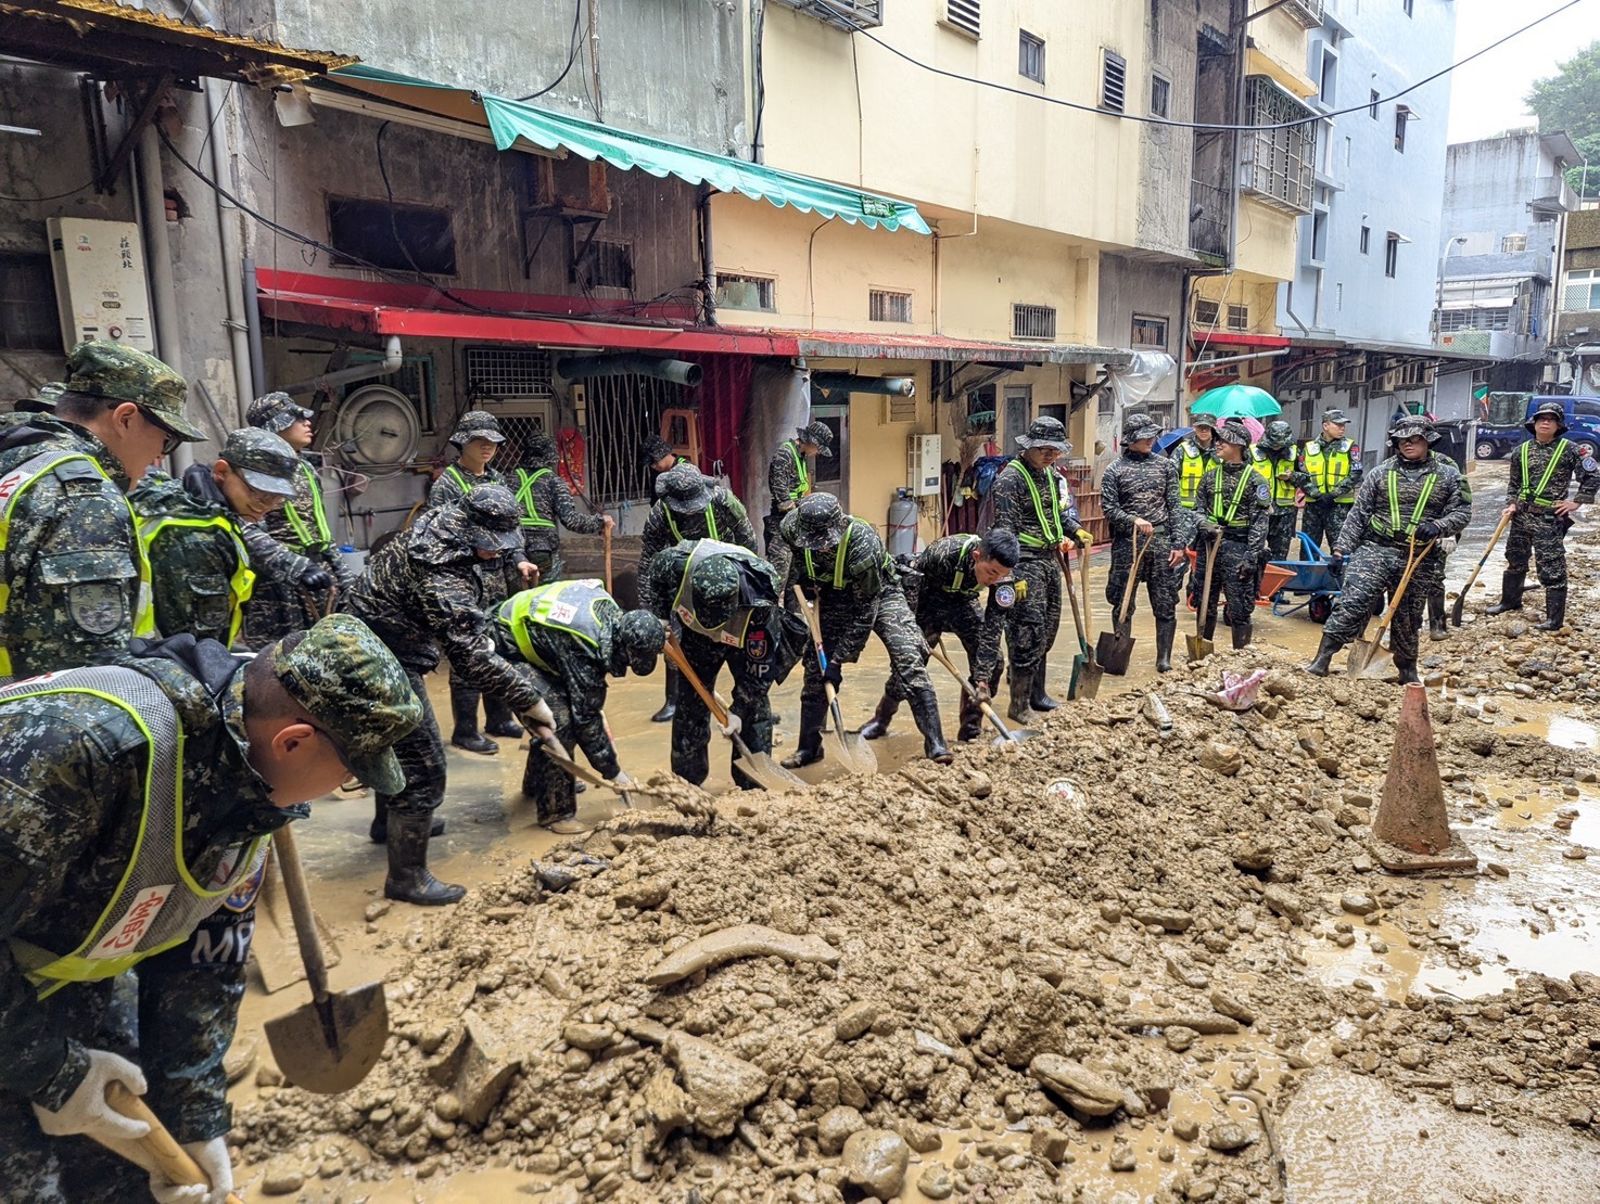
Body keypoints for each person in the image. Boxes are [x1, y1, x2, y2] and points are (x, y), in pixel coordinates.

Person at [0, 614, 421, 1204]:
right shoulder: (82, 753)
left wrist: (194, 1119)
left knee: (120, 1166)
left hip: (54, 965)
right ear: (293, 742)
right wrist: (50, 1070)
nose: (344, 787)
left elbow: (204, 963)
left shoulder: (245, 794)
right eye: (350, 773)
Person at [344, 485, 553, 903]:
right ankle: (407, 877)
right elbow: (470, 658)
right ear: (472, 531)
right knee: (424, 765)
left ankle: (390, 824)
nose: (497, 554)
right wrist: (530, 699)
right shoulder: (440, 573)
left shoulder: (445, 523)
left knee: (395, 744)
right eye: (494, 546)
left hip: (379, 642)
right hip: (378, 656)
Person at [0, 340, 204, 679]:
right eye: (166, 439)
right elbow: (84, 673)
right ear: (125, 418)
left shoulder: (20, 456)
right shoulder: (84, 497)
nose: (160, 456)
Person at [778, 492, 951, 765]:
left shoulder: (862, 543)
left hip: (880, 595)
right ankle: (809, 748)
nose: (820, 548)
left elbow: (865, 612)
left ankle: (937, 745)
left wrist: (838, 660)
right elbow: (793, 568)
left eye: (825, 542)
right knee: (815, 672)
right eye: (814, 542)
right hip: (830, 597)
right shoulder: (791, 527)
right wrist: (802, 595)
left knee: (909, 658)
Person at [1305, 416, 1472, 683]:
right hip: (1376, 549)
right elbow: (1358, 515)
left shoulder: (1448, 475)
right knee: (1352, 602)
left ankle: (1407, 671)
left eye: (1415, 439)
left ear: (1427, 441)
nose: (1408, 444)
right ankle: (1322, 659)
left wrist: (1440, 526)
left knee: (1408, 616)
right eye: (1403, 440)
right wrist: (1340, 550)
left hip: (1417, 555)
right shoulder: (1380, 473)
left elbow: (1463, 513)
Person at [496, 581, 664, 832]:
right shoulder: (584, 645)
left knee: (562, 711)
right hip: (504, 645)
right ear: (624, 648)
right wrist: (614, 772)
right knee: (559, 721)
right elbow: (586, 720)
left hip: (540, 642)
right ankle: (555, 813)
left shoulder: (611, 617)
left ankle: (536, 785)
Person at [638, 539, 804, 787]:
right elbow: (653, 575)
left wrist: (738, 710)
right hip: (695, 636)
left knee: (754, 709)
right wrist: (661, 617)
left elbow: (760, 670)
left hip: (742, 634)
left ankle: (753, 784)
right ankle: (688, 781)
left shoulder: (760, 604)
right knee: (690, 702)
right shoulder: (675, 563)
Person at [133, 428, 319, 647]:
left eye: (277, 499)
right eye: (260, 494)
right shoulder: (195, 534)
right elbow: (196, 643)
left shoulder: (217, 513)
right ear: (221, 472)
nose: (266, 507)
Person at [426, 410, 531, 753]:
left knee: (497, 645)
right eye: (479, 441)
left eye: (493, 442)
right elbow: (435, 536)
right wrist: (472, 552)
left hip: (497, 581)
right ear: (463, 443)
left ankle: (498, 718)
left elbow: (511, 528)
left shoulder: (499, 482)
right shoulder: (447, 486)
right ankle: (465, 729)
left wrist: (519, 559)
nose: (487, 447)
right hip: (461, 582)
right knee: (467, 651)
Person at [863, 528, 1020, 744]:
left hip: (963, 602)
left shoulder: (1004, 581)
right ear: (976, 557)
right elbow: (910, 592)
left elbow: (992, 629)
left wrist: (982, 679)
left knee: (995, 663)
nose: (995, 581)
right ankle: (882, 718)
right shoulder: (943, 554)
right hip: (926, 599)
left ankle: (971, 728)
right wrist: (914, 633)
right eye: (991, 573)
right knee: (911, 663)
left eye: (1001, 575)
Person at [988, 417, 1092, 721]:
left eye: (1055, 451)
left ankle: (1038, 694)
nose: (1050, 455)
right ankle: (1018, 705)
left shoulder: (1048, 475)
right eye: (1044, 450)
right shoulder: (1010, 480)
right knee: (1026, 633)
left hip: (1048, 561)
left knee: (1046, 630)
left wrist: (1074, 530)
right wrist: (1009, 576)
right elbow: (1005, 532)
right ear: (1029, 447)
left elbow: (1055, 514)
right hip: (1023, 562)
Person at [641, 463, 758, 724]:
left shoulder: (724, 502)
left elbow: (748, 542)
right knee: (674, 637)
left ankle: (751, 701)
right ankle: (673, 700)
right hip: (682, 581)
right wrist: (650, 607)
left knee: (739, 643)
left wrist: (749, 586)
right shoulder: (660, 514)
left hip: (725, 581)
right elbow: (648, 560)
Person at [240, 392, 356, 647]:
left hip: (318, 574)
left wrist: (343, 575)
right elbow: (247, 532)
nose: (307, 422)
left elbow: (320, 530)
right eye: (296, 418)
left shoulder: (305, 468)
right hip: (276, 587)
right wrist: (295, 566)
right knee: (280, 659)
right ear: (275, 426)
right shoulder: (254, 469)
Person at [1486, 400, 1600, 631]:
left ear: (1559, 425)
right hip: (1521, 517)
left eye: (1551, 419)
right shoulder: (1521, 451)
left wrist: (1576, 502)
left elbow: (1593, 476)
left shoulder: (1571, 449)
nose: (1546, 422)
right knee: (1515, 559)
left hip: (1549, 518)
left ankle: (1554, 619)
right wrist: (1511, 504)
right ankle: (1510, 601)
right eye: (1541, 419)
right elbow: (1514, 484)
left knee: (1551, 566)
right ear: (1534, 423)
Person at [1100, 412, 1187, 672]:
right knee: (1123, 601)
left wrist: (1179, 543)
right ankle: (1119, 657)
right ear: (1130, 440)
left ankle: (1164, 658)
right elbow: (1109, 508)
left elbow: (1175, 506)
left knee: (1165, 601)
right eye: (1144, 437)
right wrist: (1132, 520)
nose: (1150, 440)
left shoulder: (1165, 466)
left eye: (1152, 435)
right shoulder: (1114, 470)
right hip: (1128, 544)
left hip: (1160, 543)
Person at [1191, 419, 1271, 651]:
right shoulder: (1209, 477)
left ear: (1238, 444)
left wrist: (1251, 557)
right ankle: (1202, 653)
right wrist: (1203, 523)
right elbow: (1196, 510)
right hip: (1209, 547)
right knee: (1204, 601)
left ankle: (1240, 655)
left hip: (1239, 547)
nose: (1217, 444)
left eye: (1223, 440)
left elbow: (1260, 523)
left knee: (1239, 607)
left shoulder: (1256, 480)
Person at [511, 429, 611, 586]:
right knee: (546, 599)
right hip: (543, 551)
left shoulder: (508, 479)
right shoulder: (554, 482)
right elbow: (571, 520)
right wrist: (600, 521)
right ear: (551, 456)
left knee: (516, 603)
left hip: (514, 552)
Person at [764, 420, 832, 585]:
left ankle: (792, 610)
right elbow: (783, 502)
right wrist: (808, 508)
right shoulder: (784, 455)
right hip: (781, 526)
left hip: (795, 526)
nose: (817, 453)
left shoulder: (800, 456)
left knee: (795, 576)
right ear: (811, 442)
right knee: (778, 577)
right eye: (818, 449)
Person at [1295, 408, 1363, 555]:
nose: (1342, 428)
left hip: (1339, 506)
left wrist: (1334, 494)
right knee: (1308, 549)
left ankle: (1339, 577)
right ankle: (1308, 578)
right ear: (1326, 426)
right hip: (1314, 506)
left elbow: (1355, 473)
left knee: (1341, 548)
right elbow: (1301, 474)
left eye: (1343, 425)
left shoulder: (1350, 447)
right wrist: (1316, 494)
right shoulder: (1309, 448)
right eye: (1338, 425)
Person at [1251, 418, 1300, 592]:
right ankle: (1253, 587)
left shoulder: (1294, 453)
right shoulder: (1253, 453)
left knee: (1280, 553)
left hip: (1285, 511)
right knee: (1254, 550)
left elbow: (1307, 478)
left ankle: (1274, 591)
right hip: (1259, 510)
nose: (1278, 446)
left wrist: (1292, 476)